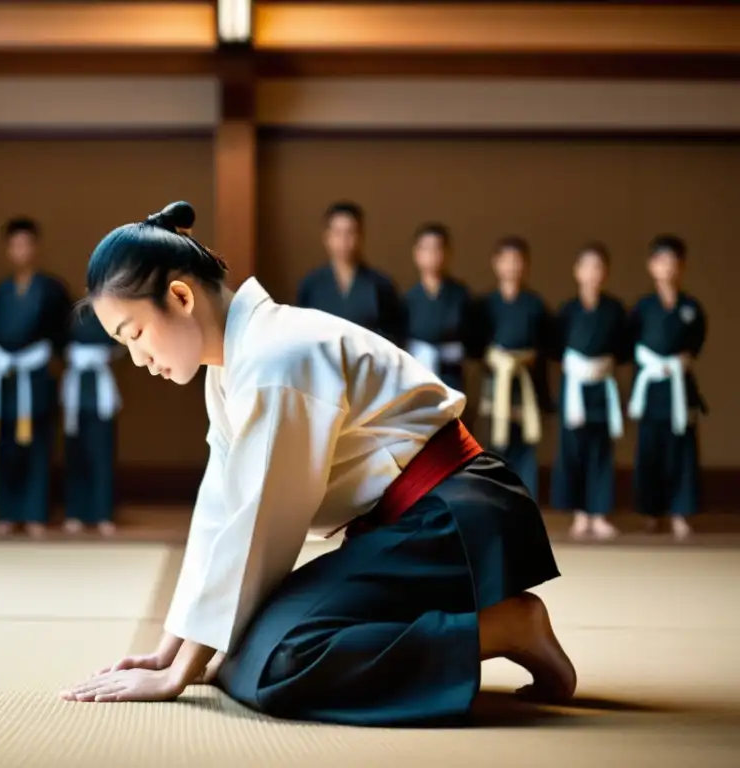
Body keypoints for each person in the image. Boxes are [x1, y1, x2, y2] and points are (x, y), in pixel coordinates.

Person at [61, 202, 576, 727]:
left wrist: (177, 676)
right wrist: (170, 652)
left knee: (278, 664)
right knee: (237, 659)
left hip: (454, 518)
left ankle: (506, 628)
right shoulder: (237, 364)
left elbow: (259, 528)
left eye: (134, 334)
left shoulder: (273, 360)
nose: (140, 359)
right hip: (417, 521)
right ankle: (487, 627)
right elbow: (220, 512)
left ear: (180, 296)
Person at [0, 217, 72, 538]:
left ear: (35, 247)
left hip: (36, 376)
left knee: (38, 443)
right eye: (15, 245)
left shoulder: (52, 289)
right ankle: (7, 512)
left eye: (26, 244)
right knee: (5, 445)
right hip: (5, 377)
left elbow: (64, 336)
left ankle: (35, 513)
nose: (20, 250)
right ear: (7, 250)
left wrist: (52, 364)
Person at [627, 235, 706, 541]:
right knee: (650, 451)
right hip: (651, 389)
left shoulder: (692, 308)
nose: (668, 269)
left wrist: (678, 362)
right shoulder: (642, 308)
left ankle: (680, 513)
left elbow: (696, 343)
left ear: (682, 267)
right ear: (651, 266)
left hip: (679, 387)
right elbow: (630, 343)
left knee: (682, 452)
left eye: (674, 263)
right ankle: (651, 513)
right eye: (662, 262)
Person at [550, 243, 630, 541]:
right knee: (573, 451)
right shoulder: (567, 311)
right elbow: (557, 348)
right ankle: (580, 514)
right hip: (574, 388)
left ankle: (599, 514)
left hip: (602, 388)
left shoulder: (615, 310)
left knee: (601, 452)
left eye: (599, 267)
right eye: (587, 267)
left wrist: (602, 366)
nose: (593, 273)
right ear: (577, 272)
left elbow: (623, 348)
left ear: (606, 273)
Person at [474, 237, 553, 500]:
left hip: (525, 382)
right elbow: (476, 347)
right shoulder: (485, 305)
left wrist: (545, 397)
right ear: (495, 264)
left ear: (526, 266)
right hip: (496, 381)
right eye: (506, 260)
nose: (511, 266)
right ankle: (491, 500)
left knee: (526, 444)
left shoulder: (535, 305)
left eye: (517, 261)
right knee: (493, 443)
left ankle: (524, 501)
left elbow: (543, 352)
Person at [296, 201, 406, 346]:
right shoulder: (311, 285)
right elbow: (301, 334)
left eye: (350, 232)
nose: (344, 240)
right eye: (337, 233)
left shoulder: (381, 285)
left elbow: (394, 339)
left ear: (361, 236)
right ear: (327, 237)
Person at [61, 306, 121, 536]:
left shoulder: (111, 314)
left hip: (100, 396)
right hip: (76, 396)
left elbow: (119, 345)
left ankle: (103, 514)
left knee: (101, 456)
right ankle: (75, 513)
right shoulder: (75, 315)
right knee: (76, 456)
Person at [404, 222, 474, 393]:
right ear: (416, 254)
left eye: (437, 249)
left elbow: (472, 341)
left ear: (448, 253)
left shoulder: (461, 295)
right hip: (417, 377)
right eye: (426, 249)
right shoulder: (408, 300)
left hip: (451, 378)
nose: (432, 255)